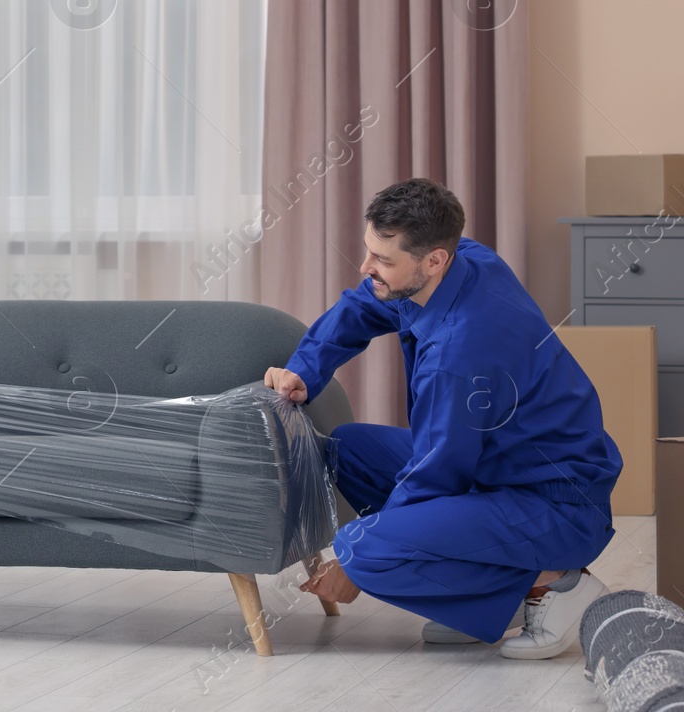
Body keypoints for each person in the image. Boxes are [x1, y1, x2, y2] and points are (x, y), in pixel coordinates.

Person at [266, 178, 622, 658]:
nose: (367, 267)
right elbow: (362, 305)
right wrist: (304, 371)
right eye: (369, 251)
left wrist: (355, 561)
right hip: (492, 470)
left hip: (555, 506)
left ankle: (556, 583)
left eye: (383, 261)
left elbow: (435, 472)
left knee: (366, 551)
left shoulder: (461, 351)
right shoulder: (462, 258)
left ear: (433, 260)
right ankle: (495, 602)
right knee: (350, 450)